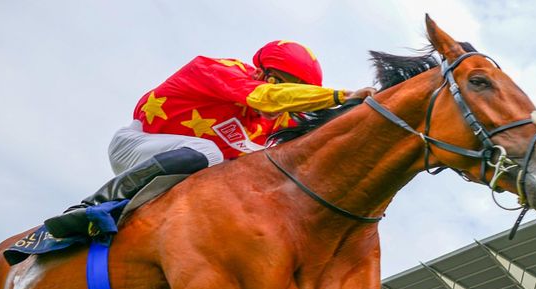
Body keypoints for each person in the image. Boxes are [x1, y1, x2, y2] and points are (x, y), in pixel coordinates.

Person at [44, 40, 377, 238]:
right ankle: (91, 205)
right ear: (264, 75)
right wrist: (337, 94)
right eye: (291, 92)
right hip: (139, 144)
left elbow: (325, 136)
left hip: (188, 174)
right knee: (210, 151)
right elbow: (266, 98)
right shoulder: (221, 71)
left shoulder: (276, 120)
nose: (290, 107)